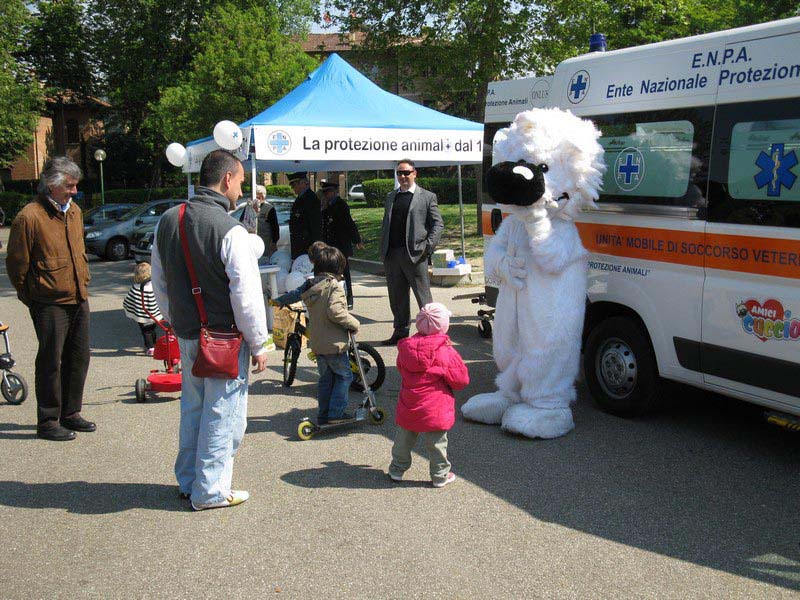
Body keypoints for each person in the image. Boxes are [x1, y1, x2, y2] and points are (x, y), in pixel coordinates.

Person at [151, 149, 269, 511]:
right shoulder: (229, 229)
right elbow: (246, 296)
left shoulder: (167, 220)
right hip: (224, 339)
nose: (240, 190)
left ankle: (189, 481)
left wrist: (175, 319)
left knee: (194, 408)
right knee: (223, 413)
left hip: (187, 331)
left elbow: (160, 281)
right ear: (227, 179)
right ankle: (212, 490)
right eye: (240, 182)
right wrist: (260, 341)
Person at [6, 157, 94, 442]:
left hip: (78, 296)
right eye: (69, 185)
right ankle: (47, 420)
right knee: (50, 362)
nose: (74, 190)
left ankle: (71, 413)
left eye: (75, 185)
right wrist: (32, 297)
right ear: (52, 185)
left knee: (78, 358)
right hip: (48, 302)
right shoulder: (29, 216)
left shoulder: (75, 211)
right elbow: (17, 265)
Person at [274, 243, 360, 424]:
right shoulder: (334, 286)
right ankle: (336, 414)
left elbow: (294, 294)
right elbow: (336, 312)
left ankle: (324, 413)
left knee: (326, 380)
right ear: (337, 268)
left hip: (318, 343)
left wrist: (278, 301)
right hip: (334, 344)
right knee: (345, 376)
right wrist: (353, 323)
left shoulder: (309, 284)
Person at [388, 302, 469, 487]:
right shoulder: (446, 351)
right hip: (435, 407)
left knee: (403, 440)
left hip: (409, 403)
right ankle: (440, 475)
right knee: (437, 444)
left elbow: (402, 369)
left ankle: (396, 469)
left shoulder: (406, 349)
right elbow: (461, 380)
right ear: (443, 326)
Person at [379, 159, 444, 345]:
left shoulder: (426, 196)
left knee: (424, 297)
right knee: (397, 297)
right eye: (399, 173)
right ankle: (400, 332)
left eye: (406, 172)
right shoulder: (391, 196)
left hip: (415, 254)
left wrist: (428, 247)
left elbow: (438, 224)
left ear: (414, 173)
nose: (402, 176)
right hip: (392, 255)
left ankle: (433, 334)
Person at [320, 180, 363, 309]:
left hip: (341, 245)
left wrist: (356, 240)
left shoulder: (340, 205)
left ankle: (349, 297)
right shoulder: (328, 206)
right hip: (332, 245)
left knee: (344, 273)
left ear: (333, 192)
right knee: (332, 273)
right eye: (325, 193)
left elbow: (348, 223)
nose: (325, 195)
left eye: (327, 192)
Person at [122, 262, 163, 355]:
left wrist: (127, 307)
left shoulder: (135, 288)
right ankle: (154, 344)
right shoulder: (154, 286)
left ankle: (150, 347)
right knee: (152, 330)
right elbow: (160, 297)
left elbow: (128, 300)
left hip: (142, 316)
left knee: (146, 332)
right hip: (155, 315)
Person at [287, 171, 322, 259]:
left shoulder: (310, 199)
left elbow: (315, 224)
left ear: (302, 183)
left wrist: (314, 246)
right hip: (300, 243)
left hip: (307, 243)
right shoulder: (300, 198)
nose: (293, 188)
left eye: (294, 185)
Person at [255, 185, 279, 258]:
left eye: (256, 195)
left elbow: (275, 228)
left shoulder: (269, 209)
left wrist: (274, 243)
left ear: (261, 195)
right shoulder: (250, 206)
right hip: (253, 244)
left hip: (265, 244)